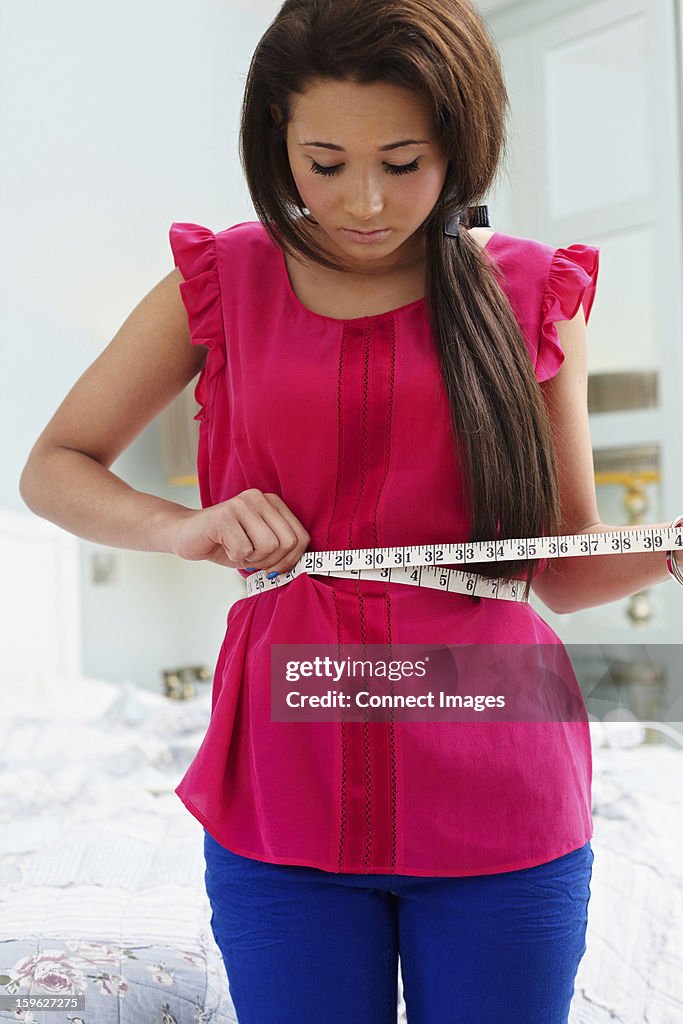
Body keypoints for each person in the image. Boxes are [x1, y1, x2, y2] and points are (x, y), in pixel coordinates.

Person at [19, 1, 681, 1022]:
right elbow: (53, 466)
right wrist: (179, 526)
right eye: (323, 163)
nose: (362, 201)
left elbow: (561, 564)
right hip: (284, 785)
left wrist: (670, 551)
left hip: (499, 780)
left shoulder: (530, 293)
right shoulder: (221, 280)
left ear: (459, 142)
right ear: (274, 141)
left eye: (403, 160)